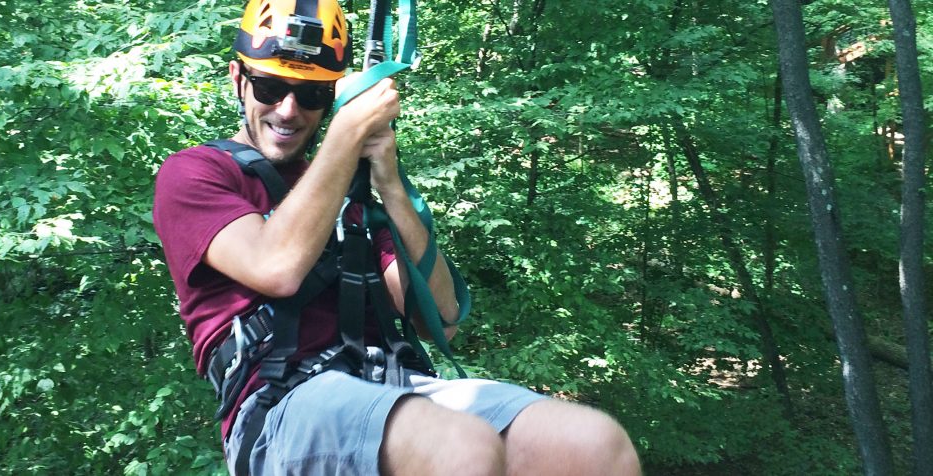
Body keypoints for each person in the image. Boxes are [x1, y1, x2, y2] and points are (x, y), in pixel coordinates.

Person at [153, 0, 641, 474]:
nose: (288, 110)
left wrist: (389, 184)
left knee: (592, 445)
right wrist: (345, 136)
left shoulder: (349, 191)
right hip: (280, 403)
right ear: (238, 79)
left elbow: (441, 319)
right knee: (458, 447)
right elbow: (275, 267)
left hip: (394, 383)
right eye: (270, 86)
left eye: (312, 95)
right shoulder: (196, 173)